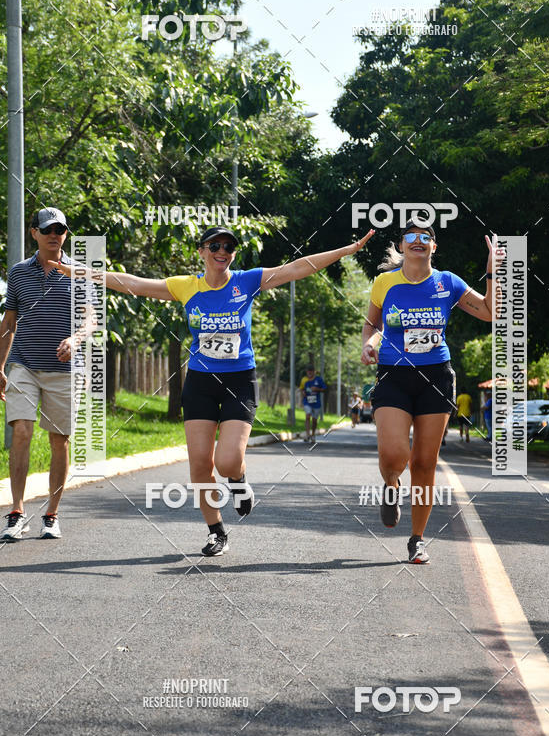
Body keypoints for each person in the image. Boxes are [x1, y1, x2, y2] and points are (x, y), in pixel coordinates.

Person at [51, 225, 373, 556]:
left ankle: (238, 481)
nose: (223, 251)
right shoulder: (186, 287)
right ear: (202, 251)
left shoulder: (247, 281)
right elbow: (132, 283)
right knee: (200, 465)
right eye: (215, 245)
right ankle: (216, 531)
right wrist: (79, 270)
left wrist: (345, 250)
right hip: (201, 384)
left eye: (229, 247)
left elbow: (298, 267)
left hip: (239, 382)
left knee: (228, 460)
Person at [361, 224, 505, 564]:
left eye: (425, 237)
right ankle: (391, 484)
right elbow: (372, 324)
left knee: (425, 463)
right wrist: (368, 342)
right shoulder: (384, 283)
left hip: (436, 377)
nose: (418, 242)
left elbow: (490, 312)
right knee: (394, 455)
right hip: (393, 376)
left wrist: (491, 272)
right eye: (411, 237)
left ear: (433, 247)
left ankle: (417, 539)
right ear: (401, 246)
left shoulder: (448, 283)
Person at [0, 209, 97, 541]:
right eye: (48, 229)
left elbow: (89, 321)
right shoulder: (18, 274)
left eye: (61, 230)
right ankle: (16, 512)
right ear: (34, 233)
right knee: (22, 432)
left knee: (59, 440)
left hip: (65, 371)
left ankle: (52, 515)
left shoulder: (77, 273)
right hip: (23, 364)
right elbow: (9, 323)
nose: (55, 235)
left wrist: (75, 339)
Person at [299, 365, 327, 443]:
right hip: (307, 401)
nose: (310, 372)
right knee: (308, 416)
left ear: (314, 372)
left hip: (316, 403)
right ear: (307, 372)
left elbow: (324, 389)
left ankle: (313, 434)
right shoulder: (305, 380)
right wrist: (303, 392)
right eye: (308, 371)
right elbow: (302, 389)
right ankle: (308, 435)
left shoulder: (319, 379)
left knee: (314, 420)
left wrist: (317, 389)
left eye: (311, 371)